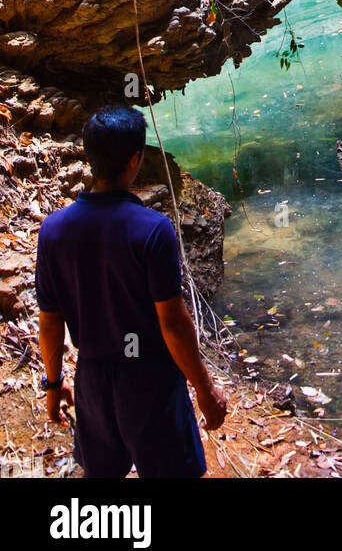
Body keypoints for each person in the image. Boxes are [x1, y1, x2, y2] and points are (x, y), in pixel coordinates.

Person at [35, 104, 227, 478]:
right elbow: (172, 322)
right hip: (150, 381)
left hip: (92, 379)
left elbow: (49, 323)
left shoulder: (53, 231)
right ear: (135, 160)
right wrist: (204, 389)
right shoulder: (153, 230)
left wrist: (54, 385)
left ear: (89, 157)